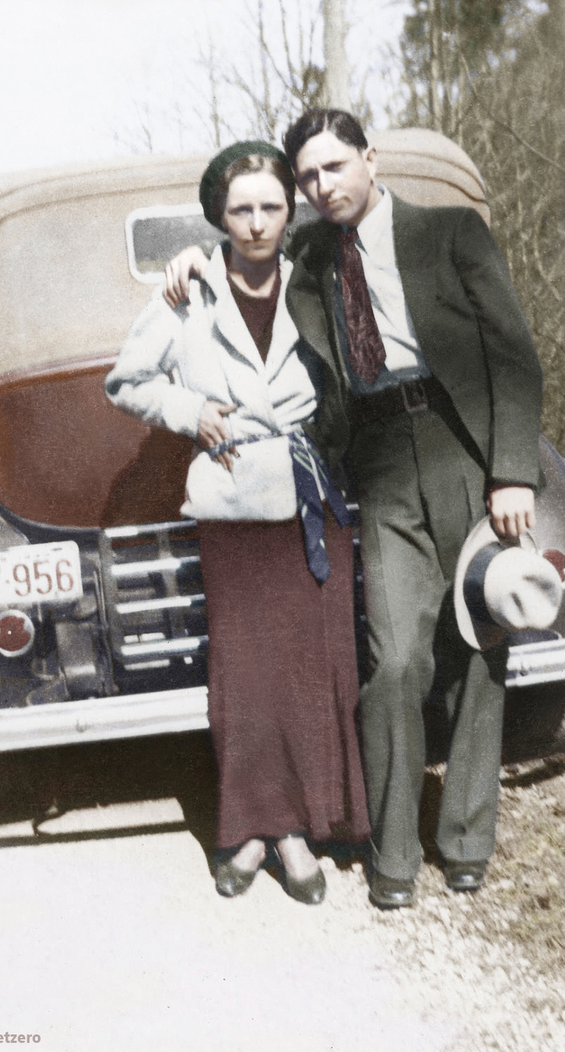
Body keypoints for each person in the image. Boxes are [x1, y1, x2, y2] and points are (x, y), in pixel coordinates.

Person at [163, 111, 543, 909]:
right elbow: (242, 253)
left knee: (480, 644)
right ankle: (393, 852)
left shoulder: (451, 233)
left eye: (334, 167)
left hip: (463, 448)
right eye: (307, 177)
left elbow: (512, 355)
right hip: (375, 460)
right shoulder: (306, 256)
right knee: (397, 657)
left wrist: (512, 473)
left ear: (371, 159)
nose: (320, 186)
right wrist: (192, 260)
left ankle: (467, 839)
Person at [105, 141, 370, 905]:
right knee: (245, 675)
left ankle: (307, 828)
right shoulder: (189, 289)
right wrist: (191, 411)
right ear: (218, 215)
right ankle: (255, 833)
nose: (257, 224)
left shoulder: (317, 275)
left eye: (271, 207)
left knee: (313, 667)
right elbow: (126, 380)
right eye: (241, 209)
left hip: (311, 495)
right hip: (230, 498)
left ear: (292, 211)